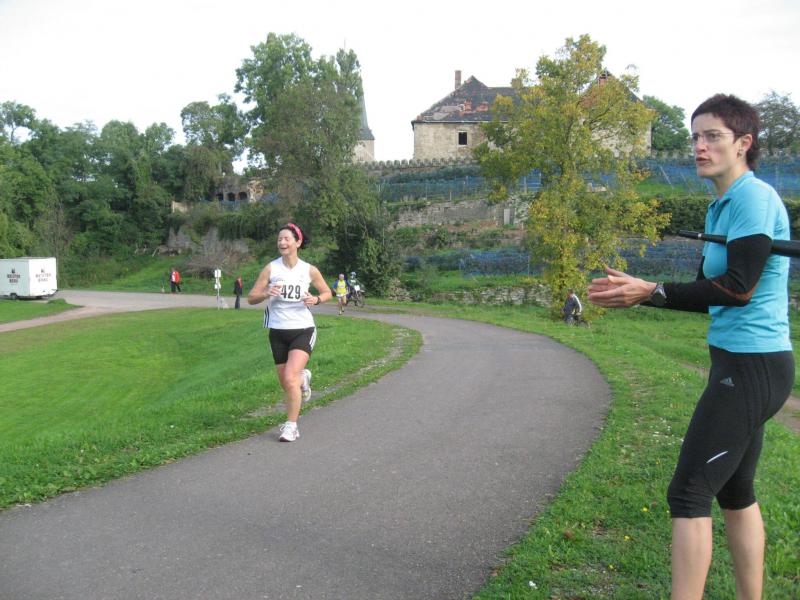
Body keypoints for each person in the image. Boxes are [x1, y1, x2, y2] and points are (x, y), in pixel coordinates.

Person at [587, 94, 793, 599]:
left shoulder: (753, 198)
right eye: (695, 136)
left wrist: (652, 291)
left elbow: (739, 289)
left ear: (743, 143)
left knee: (689, 492)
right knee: (735, 491)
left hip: (753, 365)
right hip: (738, 361)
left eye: (713, 136)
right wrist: (644, 293)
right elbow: (709, 295)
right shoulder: (721, 206)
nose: (699, 146)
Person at [248, 223, 332, 442]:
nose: (282, 242)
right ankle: (303, 377)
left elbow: (327, 292)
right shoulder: (271, 269)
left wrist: (316, 299)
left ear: (298, 242)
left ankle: (291, 426)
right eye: (279, 239)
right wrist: (266, 292)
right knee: (287, 383)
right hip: (277, 331)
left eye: (286, 239)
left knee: (289, 378)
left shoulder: (309, 270)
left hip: (302, 329)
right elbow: (251, 298)